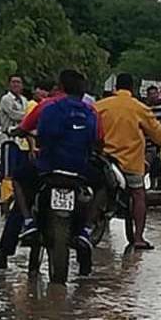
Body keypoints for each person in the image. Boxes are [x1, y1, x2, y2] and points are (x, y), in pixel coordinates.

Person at [14, 70, 100, 247]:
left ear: (60, 87)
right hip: (80, 170)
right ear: (83, 91)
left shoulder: (48, 107)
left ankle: (29, 221)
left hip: (48, 167)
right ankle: (87, 228)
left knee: (17, 178)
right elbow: (97, 141)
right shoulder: (91, 111)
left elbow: (41, 136)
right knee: (104, 185)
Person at [95, 73, 161, 250]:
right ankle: (138, 238)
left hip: (102, 159)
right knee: (138, 195)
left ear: (115, 88)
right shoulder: (139, 108)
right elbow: (156, 129)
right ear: (133, 88)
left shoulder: (99, 106)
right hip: (129, 162)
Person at [0, 75, 28, 214]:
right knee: (7, 173)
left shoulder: (24, 100)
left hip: (22, 141)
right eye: (14, 82)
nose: (16, 84)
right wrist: (29, 116)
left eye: (19, 82)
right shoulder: (6, 99)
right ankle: (5, 201)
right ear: (9, 84)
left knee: (19, 173)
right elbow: (14, 115)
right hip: (9, 139)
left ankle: (16, 200)